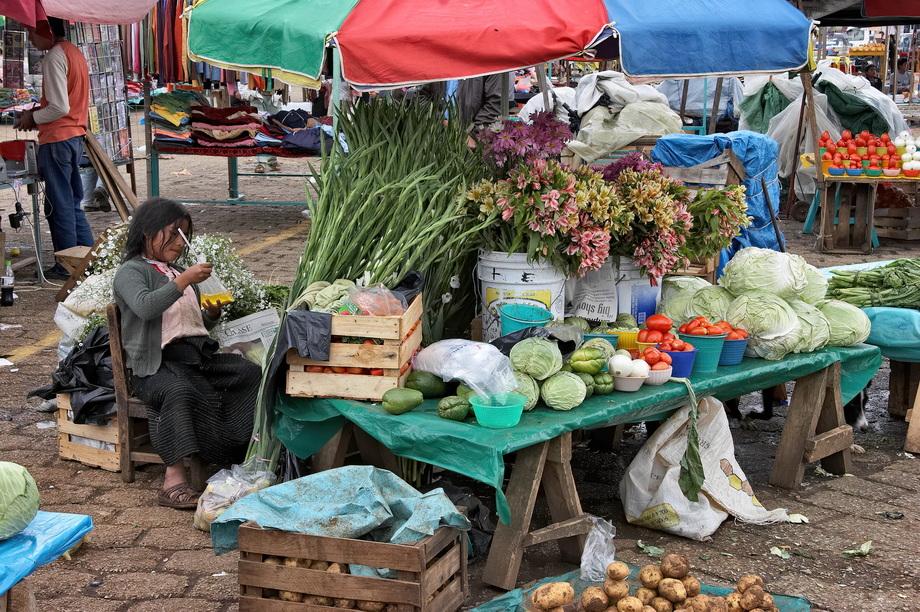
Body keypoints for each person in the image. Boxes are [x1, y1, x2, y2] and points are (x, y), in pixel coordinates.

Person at [112, 198, 259, 509]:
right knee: (178, 390)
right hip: (156, 366)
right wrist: (184, 280)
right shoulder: (131, 271)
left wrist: (211, 315)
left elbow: (188, 323)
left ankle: (235, 456)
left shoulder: (177, 271)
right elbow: (146, 307)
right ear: (148, 232)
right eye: (174, 233)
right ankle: (173, 479)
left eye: (184, 235)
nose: (181, 242)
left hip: (196, 358)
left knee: (249, 373)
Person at [14, 18, 93, 280]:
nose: (30, 38)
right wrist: (36, 114)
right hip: (73, 136)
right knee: (71, 202)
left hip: (58, 138)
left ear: (47, 31)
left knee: (60, 204)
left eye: (32, 32)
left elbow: (59, 107)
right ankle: (88, 260)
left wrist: (33, 117)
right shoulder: (74, 53)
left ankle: (66, 265)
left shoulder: (55, 56)